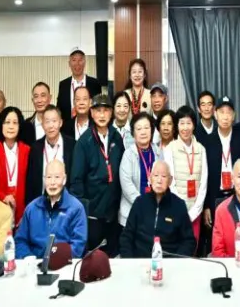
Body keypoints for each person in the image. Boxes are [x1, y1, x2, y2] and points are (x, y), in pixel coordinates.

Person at [70, 94, 125, 255]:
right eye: (98, 111)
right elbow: (76, 180)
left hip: (113, 211)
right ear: (92, 113)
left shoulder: (116, 137)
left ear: (111, 113)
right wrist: (84, 211)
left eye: (106, 110)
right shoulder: (84, 142)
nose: (102, 115)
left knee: (113, 257)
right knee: (93, 258)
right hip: (93, 213)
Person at [202, 96, 240, 255]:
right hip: (215, 197)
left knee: (238, 237)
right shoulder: (208, 141)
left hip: (237, 195)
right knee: (218, 240)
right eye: (221, 112)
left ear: (234, 116)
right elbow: (205, 177)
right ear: (215, 114)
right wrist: (207, 206)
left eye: (228, 112)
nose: (225, 116)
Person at [120, 161, 196, 258]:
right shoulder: (140, 202)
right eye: (156, 175)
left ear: (170, 180)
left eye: (164, 176)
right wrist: (130, 261)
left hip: (169, 261)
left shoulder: (179, 205)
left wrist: (176, 262)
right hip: (140, 260)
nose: (159, 180)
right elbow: (127, 236)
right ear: (150, 178)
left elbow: (188, 241)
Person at [17, 160, 88, 259]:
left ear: (64, 179)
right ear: (44, 179)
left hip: (64, 264)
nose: (52, 182)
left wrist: (57, 260)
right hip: (34, 264)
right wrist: (27, 256)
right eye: (49, 177)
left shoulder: (76, 208)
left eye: (57, 177)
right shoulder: (32, 208)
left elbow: (78, 245)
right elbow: (20, 240)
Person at [165, 105, 209, 249]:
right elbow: (170, 183)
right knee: (176, 250)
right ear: (177, 126)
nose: (185, 128)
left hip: (195, 212)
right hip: (176, 210)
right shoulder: (170, 149)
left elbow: (203, 183)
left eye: (188, 123)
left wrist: (195, 211)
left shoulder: (201, 149)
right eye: (182, 123)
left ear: (194, 125)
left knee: (192, 249)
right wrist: (182, 210)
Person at [0, 106, 31, 225]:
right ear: (1, 125)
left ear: (20, 126)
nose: (11, 126)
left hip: (23, 212)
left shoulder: (27, 151)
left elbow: (32, 185)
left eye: (15, 123)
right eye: (7, 122)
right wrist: (2, 197)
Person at [25, 105, 75, 206]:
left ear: (60, 123)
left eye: (54, 121)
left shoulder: (72, 145)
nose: (51, 125)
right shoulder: (35, 148)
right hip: (41, 203)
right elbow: (30, 182)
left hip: (66, 204)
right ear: (42, 125)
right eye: (47, 122)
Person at [118, 113, 161, 231]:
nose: (143, 132)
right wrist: (144, 205)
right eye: (139, 129)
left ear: (152, 130)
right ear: (133, 133)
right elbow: (126, 185)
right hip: (132, 213)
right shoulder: (128, 154)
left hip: (155, 213)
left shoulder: (158, 152)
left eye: (146, 128)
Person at [57, 48, 101, 123]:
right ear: (69, 63)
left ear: (84, 62)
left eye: (80, 60)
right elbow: (59, 109)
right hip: (68, 127)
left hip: (90, 126)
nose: (77, 63)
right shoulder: (63, 84)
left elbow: (98, 108)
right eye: (74, 60)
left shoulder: (94, 83)